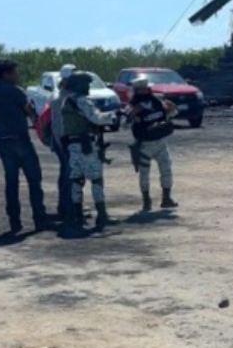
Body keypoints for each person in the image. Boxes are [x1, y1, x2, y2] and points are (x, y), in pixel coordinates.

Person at [0, 59, 48, 234]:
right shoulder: (16, 91)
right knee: (34, 179)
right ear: (6, 73)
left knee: (11, 182)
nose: (17, 76)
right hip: (20, 138)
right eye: (14, 72)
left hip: (2, 140)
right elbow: (29, 111)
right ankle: (40, 219)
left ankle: (14, 222)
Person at [60, 71, 117, 232]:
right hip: (86, 145)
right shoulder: (82, 100)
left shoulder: (66, 101)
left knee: (77, 180)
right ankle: (102, 216)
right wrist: (113, 115)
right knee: (96, 180)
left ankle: (78, 216)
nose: (88, 87)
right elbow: (96, 118)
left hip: (72, 145)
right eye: (85, 84)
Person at [127, 78, 179, 211]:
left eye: (147, 88)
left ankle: (166, 198)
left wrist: (172, 109)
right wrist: (132, 114)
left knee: (166, 169)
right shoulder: (132, 105)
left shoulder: (157, 101)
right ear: (138, 90)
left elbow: (171, 115)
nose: (147, 90)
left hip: (160, 142)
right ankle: (146, 201)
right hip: (144, 145)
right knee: (144, 174)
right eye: (144, 88)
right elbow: (123, 123)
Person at [46, 64, 77, 222]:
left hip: (66, 141)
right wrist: (63, 143)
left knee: (67, 173)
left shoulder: (68, 95)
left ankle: (68, 206)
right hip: (64, 141)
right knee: (68, 174)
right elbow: (58, 126)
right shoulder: (60, 98)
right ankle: (67, 208)